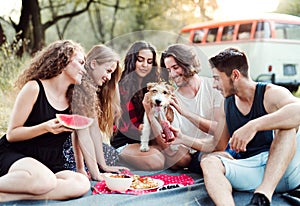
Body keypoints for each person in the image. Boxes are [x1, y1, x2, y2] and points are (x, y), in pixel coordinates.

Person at [192, 47, 300, 206]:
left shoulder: (270, 93)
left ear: (235, 75)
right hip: (253, 171)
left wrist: (253, 126)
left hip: (286, 168)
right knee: (208, 162)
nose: (214, 85)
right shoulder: (226, 105)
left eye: (216, 78)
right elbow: (219, 145)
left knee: (288, 125)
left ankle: (262, 197)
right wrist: (181, 138)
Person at [0, 40, 90, 202]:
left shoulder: (75, 98)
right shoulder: (34, 88)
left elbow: (76, 135)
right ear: (64, 60)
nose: (84, 70)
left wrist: (80, 168)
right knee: (44, 181)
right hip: (19, 155)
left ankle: (5, 196)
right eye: (81, 63)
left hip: (50, 163)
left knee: (81, 183)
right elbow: (12, 135)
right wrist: (45, 127)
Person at [143, 43, 223, 171]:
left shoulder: (213, 87)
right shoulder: (171, 99)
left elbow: (219, 130)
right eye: (169, 70)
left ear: (188, 63)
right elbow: (170, 148)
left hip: (217, 146)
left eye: (175, 67)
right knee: (180, 158)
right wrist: (150, 114)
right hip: (192, 152)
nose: (172, 74)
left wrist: (185, 113)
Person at [66, 44, 129, 181]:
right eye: (108, 71)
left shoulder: (90, 89)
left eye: (112, 73)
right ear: (93, 64)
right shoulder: (80, 86)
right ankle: (89, 168)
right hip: (67, 148)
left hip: (80, 145)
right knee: (111, 157)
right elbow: (83, 134)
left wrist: (103, 165)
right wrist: (95, 173)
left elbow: (94, 129)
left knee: (111, 156)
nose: (109, 76)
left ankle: (95, 166)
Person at [110, 41, 164, 170]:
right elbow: (126, 126)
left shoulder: (152, 86)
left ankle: (144, 154)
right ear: (132, 60)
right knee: (157, 161)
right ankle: (121, 157)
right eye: (140, 60)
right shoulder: (120, 86)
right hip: (125, 140)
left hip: (147, 137)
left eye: (149, 62)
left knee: (177, 157)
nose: (145, 65)